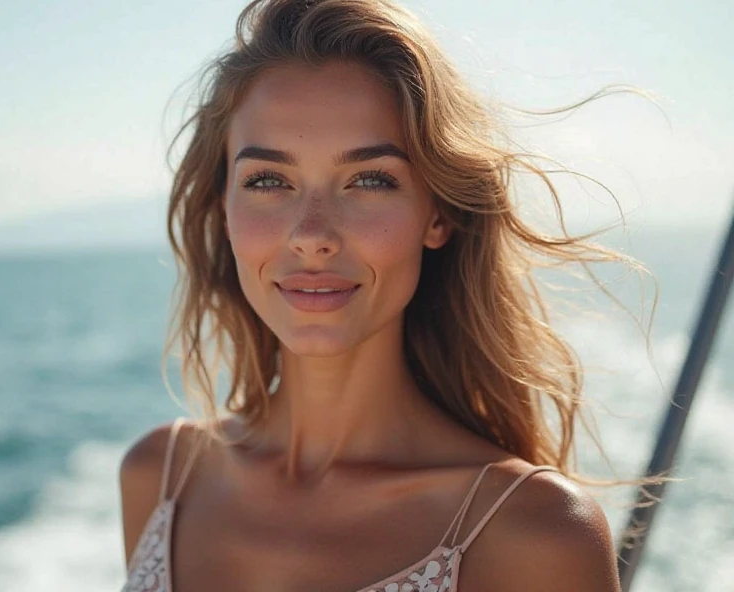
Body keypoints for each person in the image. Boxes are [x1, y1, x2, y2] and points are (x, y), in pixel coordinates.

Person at [119, 0, 635, 590]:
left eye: (369, 180)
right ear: (224, 211)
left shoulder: (534, 534)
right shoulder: (158, 478)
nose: (312, 235)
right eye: (268, 180)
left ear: (436, 215)